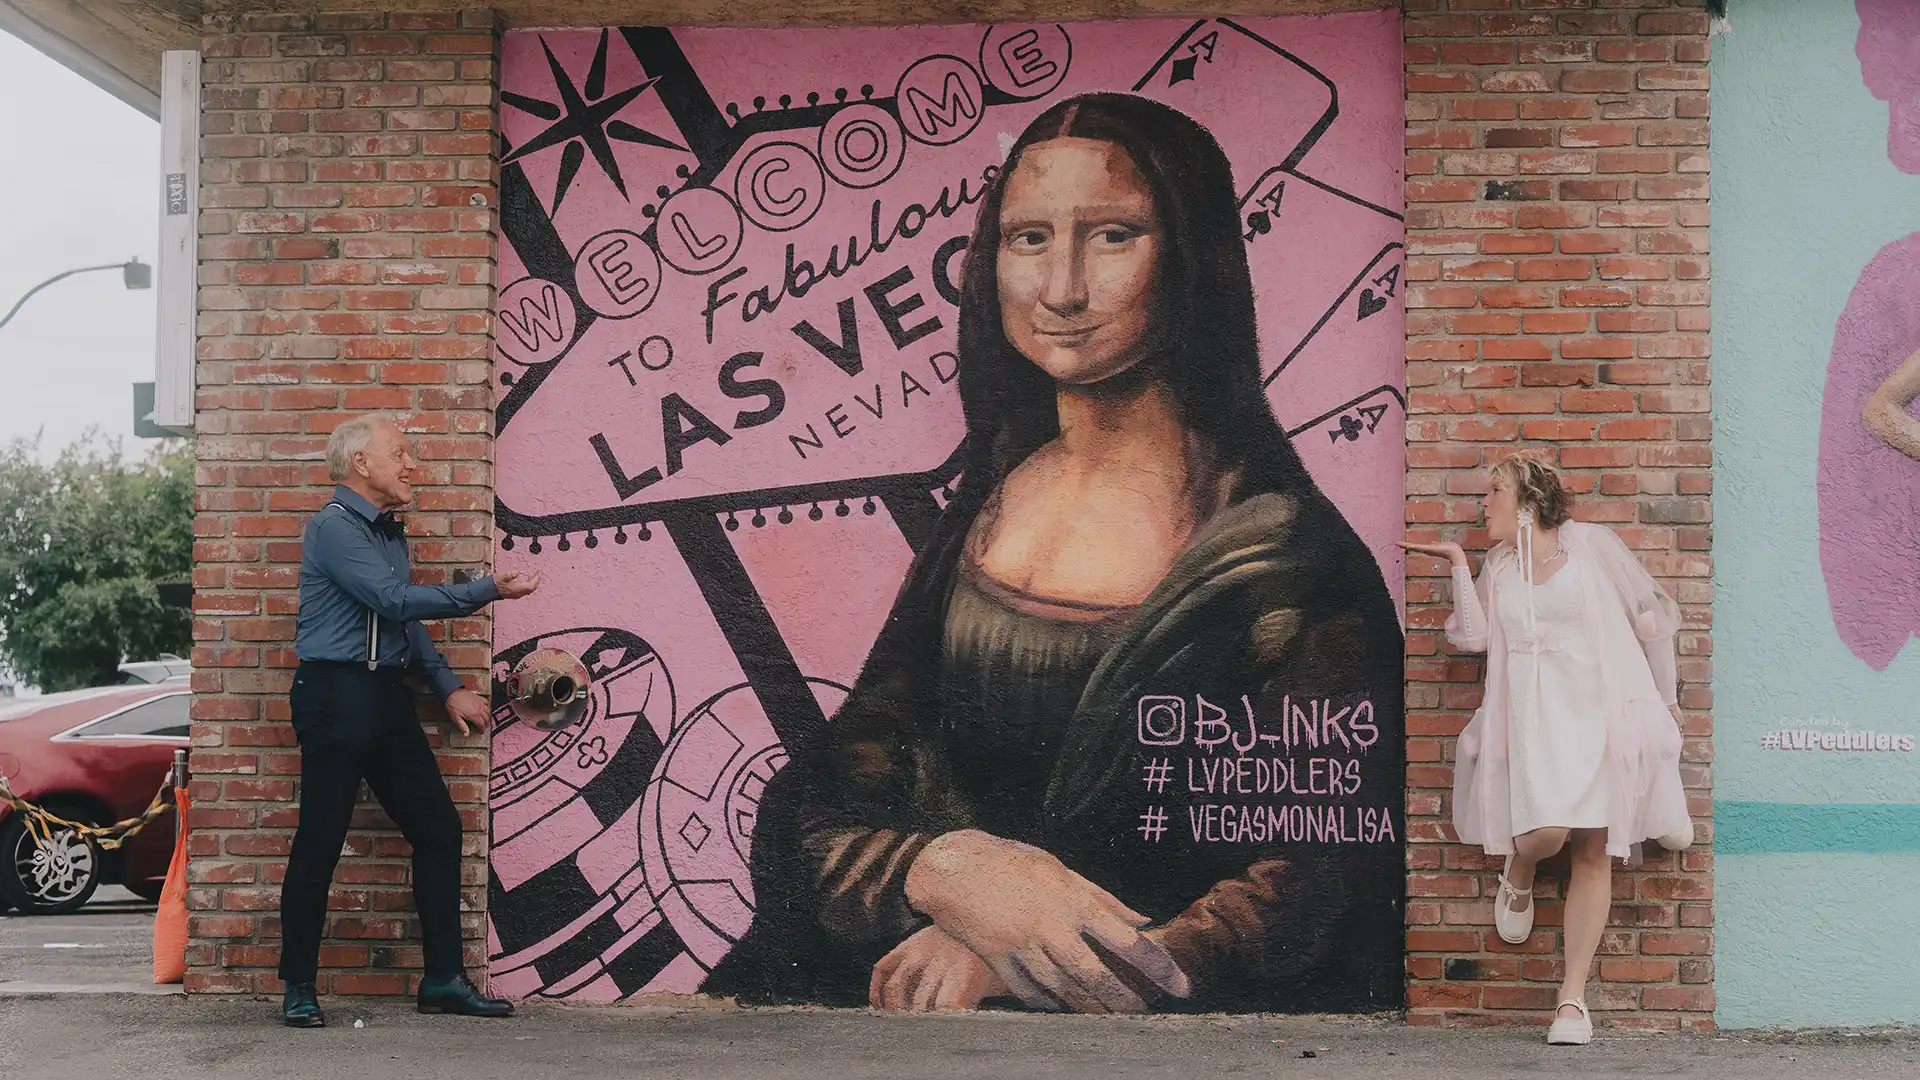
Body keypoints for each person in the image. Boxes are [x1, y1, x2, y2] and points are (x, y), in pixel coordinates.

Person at [706, 93, 1406, 1015]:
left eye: (1114, 236)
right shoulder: (990, 504)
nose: (1062, 289)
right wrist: (953, 875)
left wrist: (1029, 961)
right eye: (1028, 238)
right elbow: (823, 802)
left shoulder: (1286, 560)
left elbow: (1317, 876)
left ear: (1191, 258)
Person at [1401, 456, 1693, 1046]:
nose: (1485, 504)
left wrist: (1663, 701)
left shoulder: (1589, 548)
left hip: (1596, 712)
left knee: (1592, 849)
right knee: (1546, 833)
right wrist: (1458, 564)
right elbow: (1476, 637)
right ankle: (1521, 865)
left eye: (1495, 492)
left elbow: (1651, 619)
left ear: (1529, 501)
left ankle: (1572, 1000)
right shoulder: (1500, 565)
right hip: (1533, 721)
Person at [279, 415, 540, 1027]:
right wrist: (487, 590)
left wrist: (447, 688)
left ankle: (443, 981)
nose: (411, 465)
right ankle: (298, 988)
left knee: (439, 830)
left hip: (385, 696)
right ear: (361, 463)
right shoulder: (334, 527)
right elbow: (393, 600)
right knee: (321, 839)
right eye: (399, 453)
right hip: (334, 695)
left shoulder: (386, 533)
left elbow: (401, 620)